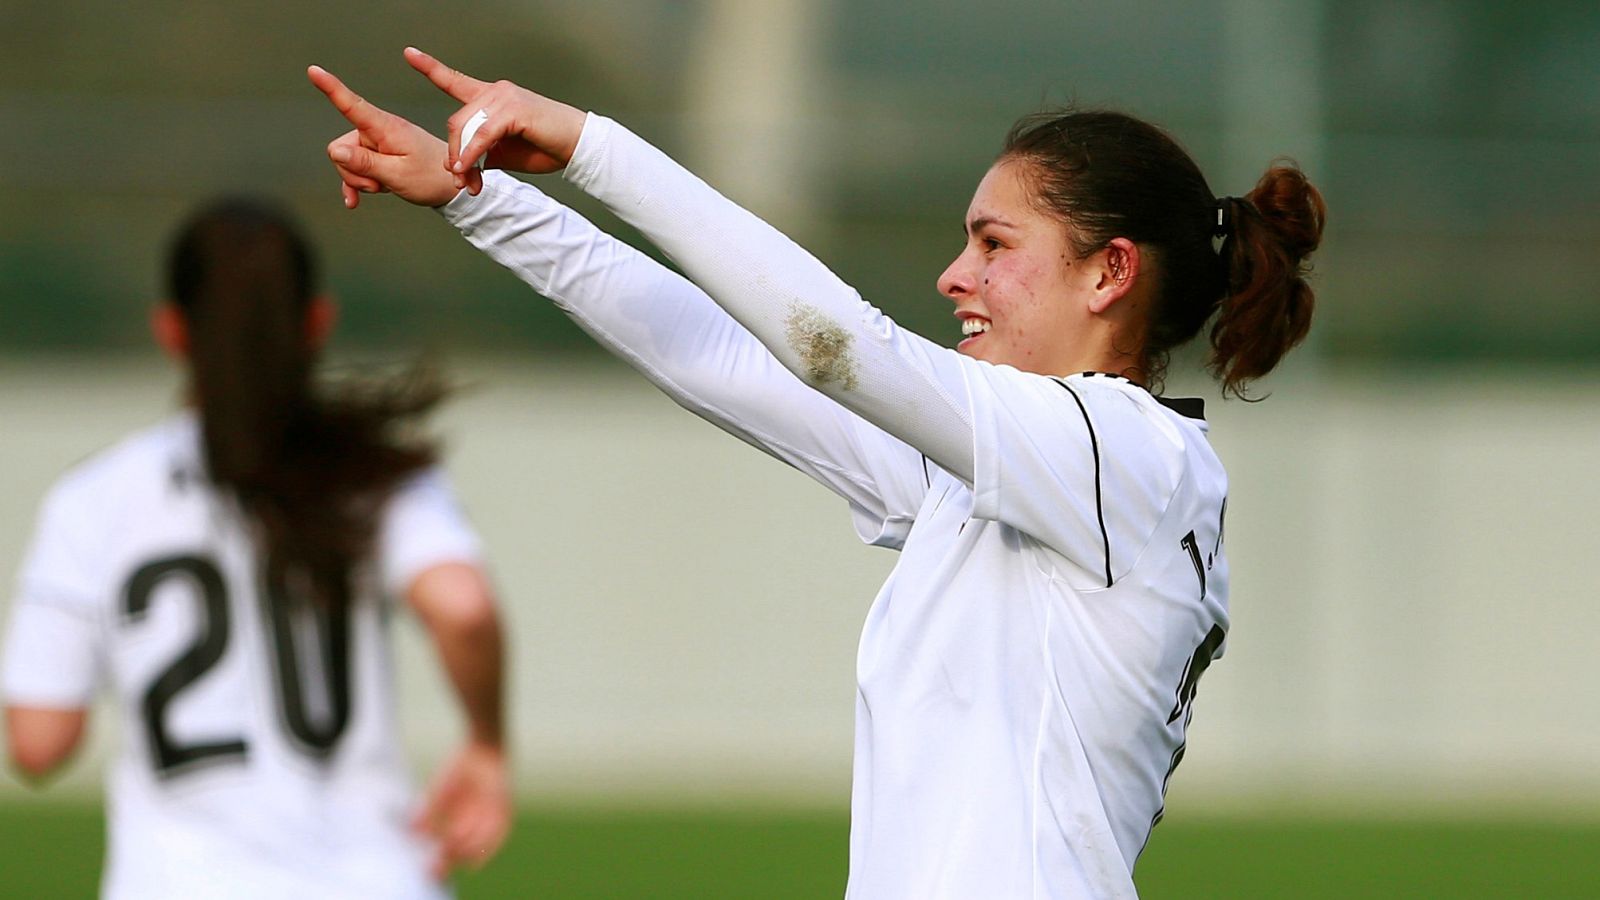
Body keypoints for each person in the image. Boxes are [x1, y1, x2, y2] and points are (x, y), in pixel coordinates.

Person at [308, 46, 1323, 899]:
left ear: (1110, 271)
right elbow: (724, 357)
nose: (954, 275)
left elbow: (832, 345)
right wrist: (479, 201)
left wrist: (590, 146)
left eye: (994, 243)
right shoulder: (1022, 468)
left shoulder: (1127, 457)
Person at [2, 197, 512, 899]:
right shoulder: (373, 472)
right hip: (373, 879)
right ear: (317, 323)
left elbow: (39, 744)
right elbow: (464, 608)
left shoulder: (95, 499)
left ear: (172, 331)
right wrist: (486, 743)